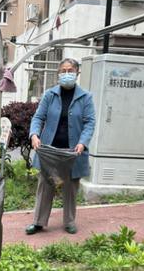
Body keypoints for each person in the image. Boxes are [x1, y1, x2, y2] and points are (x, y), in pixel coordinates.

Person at [25, 58, 95, 236]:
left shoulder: (85, 97)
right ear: (58, 73)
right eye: (63, 71)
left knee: (71, 188)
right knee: (45, 185)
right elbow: (38, 117)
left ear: (77, 72)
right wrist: (34, 135)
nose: (66, 74)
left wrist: (82, 142)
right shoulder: (50, 95)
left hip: (73, 152)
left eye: (70, 70)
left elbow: (89, 123)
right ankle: (38, 222)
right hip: (50, 150)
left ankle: (69, 222)